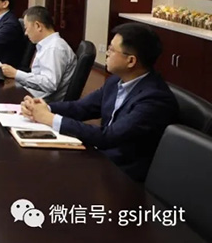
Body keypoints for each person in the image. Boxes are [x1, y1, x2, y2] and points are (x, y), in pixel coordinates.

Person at [21, 23, 179, 182]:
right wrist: (44, 107)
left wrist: (51, 119)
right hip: (99, 155)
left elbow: (109, 136)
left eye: (112, 50)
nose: (107, 53)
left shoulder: (154, 99)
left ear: (131, 61)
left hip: (121, 175)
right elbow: (81, 108)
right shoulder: (115, 81)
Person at [0, 6, 75, 102]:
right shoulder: (48, 45)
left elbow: (49, 84)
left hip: (41, 102)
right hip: (34, 94)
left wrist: (16, 74)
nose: (26, 33)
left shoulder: (54, 48)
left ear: (38, 26)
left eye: (26, 28)